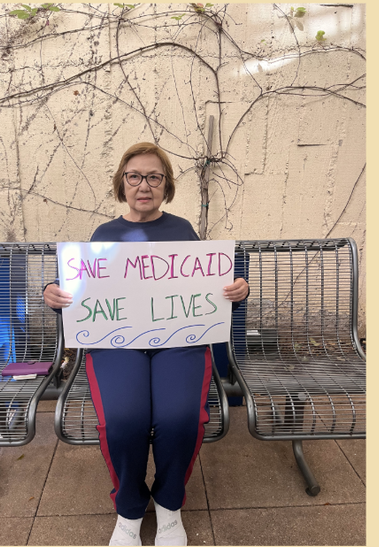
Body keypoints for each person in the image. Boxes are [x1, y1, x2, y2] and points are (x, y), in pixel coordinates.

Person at [38, 142, 249, 546]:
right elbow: (81, 293)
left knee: (179, 417)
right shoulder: (104, 234)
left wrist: (239, 290)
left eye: (155, 177)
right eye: (134, 176)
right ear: (122, 183)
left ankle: (169, 505)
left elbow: (208, 288)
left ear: (166, 185)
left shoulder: (183, 230)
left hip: (179, 342)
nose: (144, 185)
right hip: (117, 344)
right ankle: (129, 509)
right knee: (123, 419)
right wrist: (54, 292)